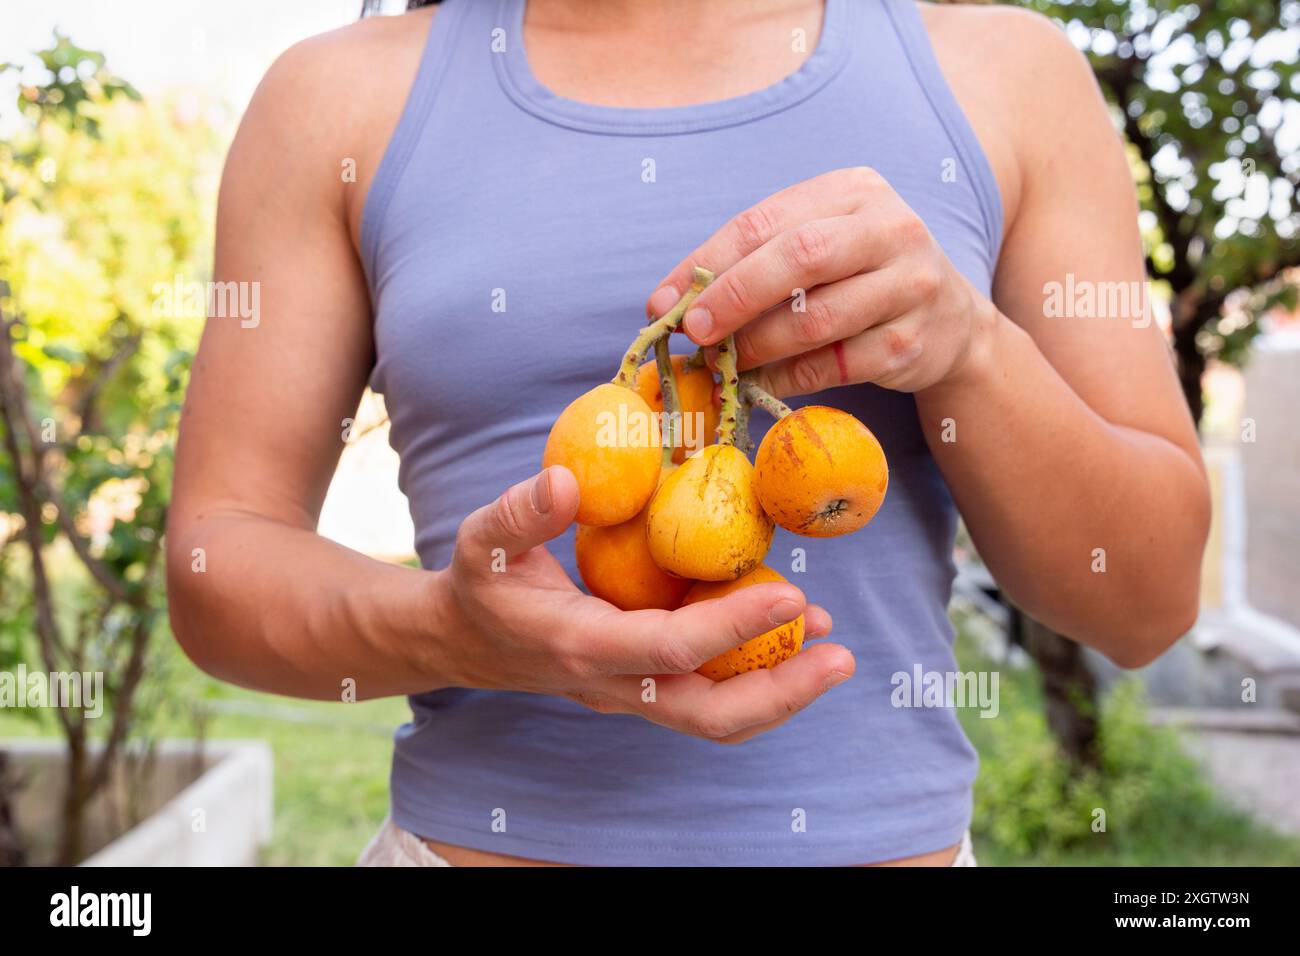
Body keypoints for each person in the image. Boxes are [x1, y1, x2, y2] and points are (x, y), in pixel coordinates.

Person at [167, 0, 1211, 866]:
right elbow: (218, 563)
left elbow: (1146, 599)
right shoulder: (335, 97)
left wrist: (972, 350)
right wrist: (450, 628)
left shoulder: (1004, 72)